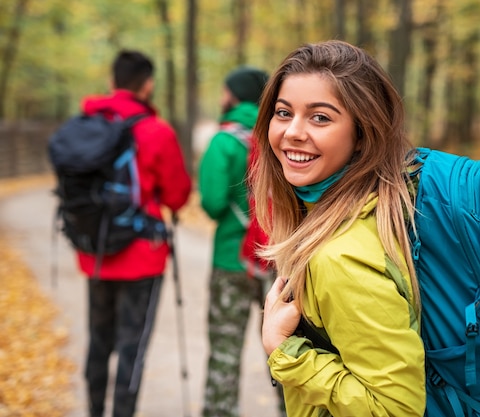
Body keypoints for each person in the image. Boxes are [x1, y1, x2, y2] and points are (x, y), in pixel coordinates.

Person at [254, 40, 426, 416]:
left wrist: (285, 351)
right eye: (283, 113)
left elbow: (397, 409)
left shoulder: (340, 257)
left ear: (363, 134)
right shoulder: (372, 210)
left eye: (320, 118)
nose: (292, 132)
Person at [78, 50, 192, 417]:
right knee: (132, 346)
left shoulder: (87, 125)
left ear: (112, 83)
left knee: (99, 340)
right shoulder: (157, 131)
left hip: (95, 252)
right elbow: (177, 196)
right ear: (148, 85)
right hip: (143, 257)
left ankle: (94, 410)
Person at [198, 66, 280, 417]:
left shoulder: (224, 140)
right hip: (278, 264)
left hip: (231, 261)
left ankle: (220, 410)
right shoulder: (278, 135)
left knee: (225, 350)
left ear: (234, 95)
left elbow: (213, 203)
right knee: (283, 352)